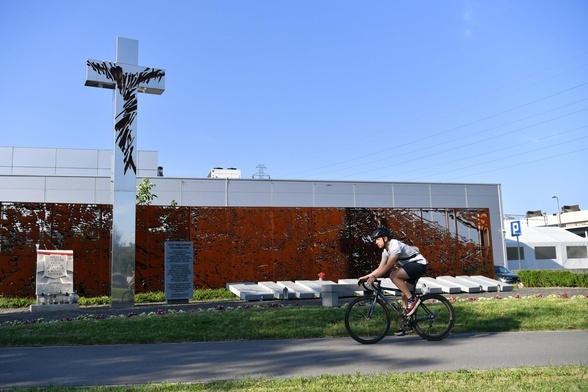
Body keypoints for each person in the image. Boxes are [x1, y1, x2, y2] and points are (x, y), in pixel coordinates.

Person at [359, 227, 428, 317]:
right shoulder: (385, 252)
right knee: (404, 293)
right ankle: (407, 322)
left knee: (394, 275)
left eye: (378, 239)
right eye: (375, 240)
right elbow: (380, 269)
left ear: (385, 238)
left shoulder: (395, 245)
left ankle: (413, 300)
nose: (376, 242)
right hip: (412, 267)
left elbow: (388, 266)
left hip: (419, 265)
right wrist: (365, 277)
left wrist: (374, 277)